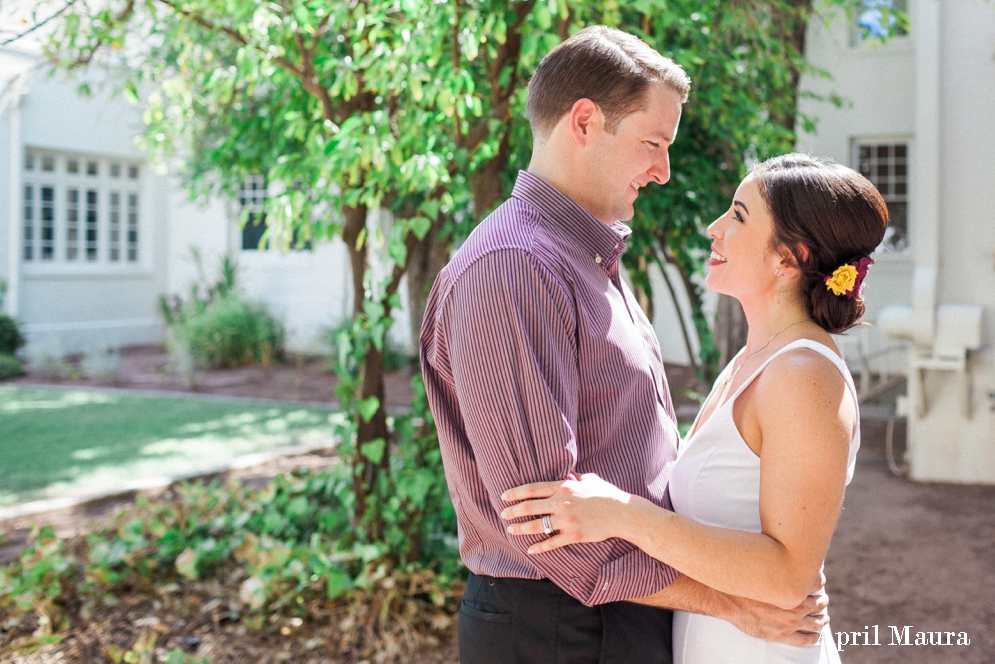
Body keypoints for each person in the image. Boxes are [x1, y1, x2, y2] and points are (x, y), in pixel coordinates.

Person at [420, 25, 830, 664]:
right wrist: (730, 600)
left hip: (618, 615)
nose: (663, 171)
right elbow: (551, 521)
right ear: (584, 122)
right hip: (560, 628)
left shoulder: (585, 257)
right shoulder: (514, 267)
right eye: (653, 143)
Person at [500, 153, 889, 663]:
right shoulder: (753, 361)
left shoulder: (804, 376)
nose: (715, 228)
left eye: (739, 216)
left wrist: (622, 514)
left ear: (788, 257)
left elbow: (789, 574)